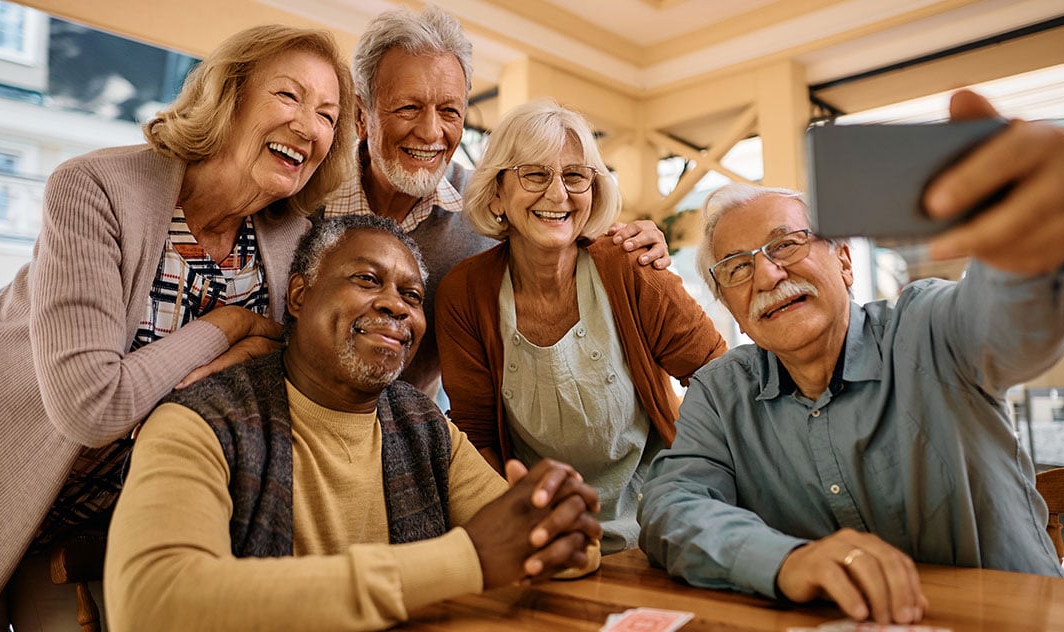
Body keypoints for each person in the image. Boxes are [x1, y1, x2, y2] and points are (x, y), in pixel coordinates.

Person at [638, 89, 1064, 625]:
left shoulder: (928, 328)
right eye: (737, 268)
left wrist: (1037, 250)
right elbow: (671, 507)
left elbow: (1013, 325)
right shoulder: (721, 392)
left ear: (844, 260)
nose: (766, 275)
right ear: (731, 308)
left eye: (785, 244)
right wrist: (786, 560)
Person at [0, 24, 356, 628]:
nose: (309, 126)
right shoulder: (96, 188)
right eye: (289, 97)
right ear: (229, 96)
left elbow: (274, 391)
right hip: (14, 469)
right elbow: (90, 405)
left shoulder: (289, 244)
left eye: (327, 113)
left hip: (105, 520)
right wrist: (226, 326)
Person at [103, 214, 602, 631]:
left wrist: (562, 524)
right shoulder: (201, 422)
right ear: (299, 296)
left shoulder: (422, 423)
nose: (395, 305)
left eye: (412, 295)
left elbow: (544, 546)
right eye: (367, 279)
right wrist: (465, 560)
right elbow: (152, 605)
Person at [321, 5, 672, 398]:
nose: (431, 131)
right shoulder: (304, 198)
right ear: (360, 115)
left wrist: (636, 242)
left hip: (411, 431)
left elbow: (564, 228)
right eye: (409, 108)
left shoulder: (491, 203)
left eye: (449, 111)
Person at [436, 99, 727, 554]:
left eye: (574, 176)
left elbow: (719, 379)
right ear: (496, 193)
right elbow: (477, 437)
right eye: (534, 174)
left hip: (661, 526)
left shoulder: (630, 264)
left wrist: (688, 484)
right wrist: (525, 526)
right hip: (545, 535)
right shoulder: (464, 293)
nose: (558, 195)